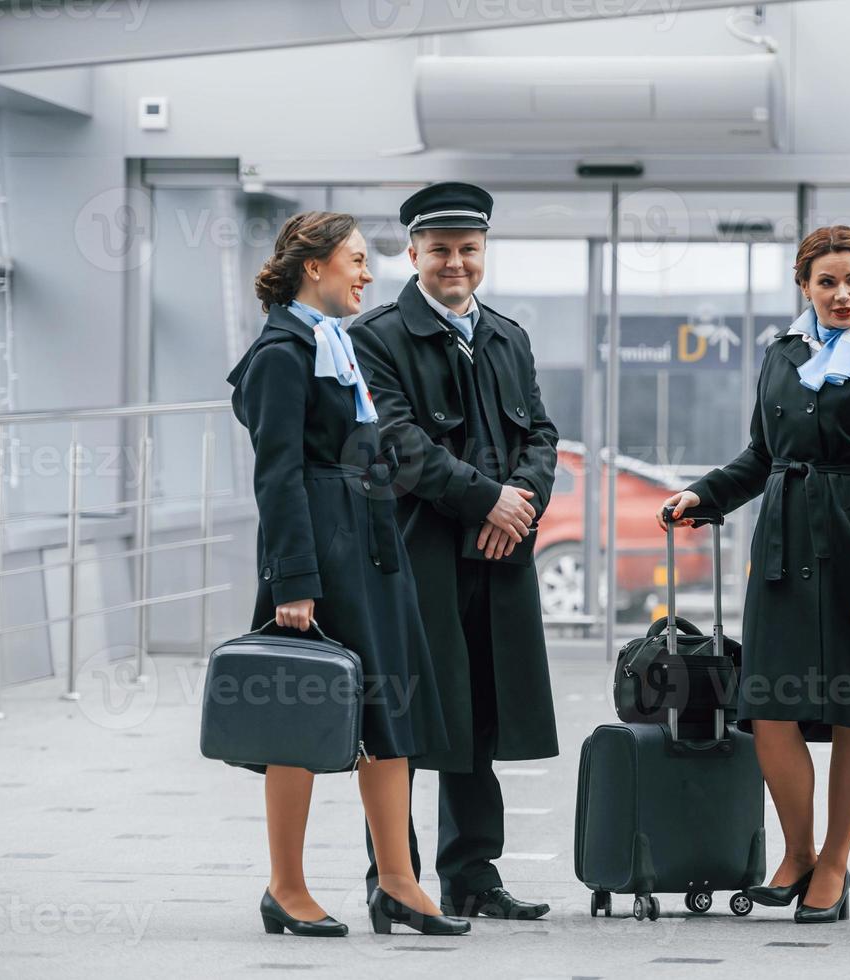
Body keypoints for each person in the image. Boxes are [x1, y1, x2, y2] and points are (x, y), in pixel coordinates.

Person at [661, 226, 850, 924]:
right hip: (781, 543)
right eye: (827, 282)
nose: (842, 294)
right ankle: (799, 850)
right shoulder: (782, 355)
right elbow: (759, 454)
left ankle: (835, 864)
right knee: (769, 708)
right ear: (803, 286)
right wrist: (704, 496)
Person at [226, 211, 468, 937]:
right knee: (299, 719)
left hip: (370, 548)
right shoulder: (280, 353)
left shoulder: (334, 342)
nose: (367, 274)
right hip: (321, 557)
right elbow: (278, 476)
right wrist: (294, 579)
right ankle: (286, 888)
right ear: (314, 267)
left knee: (389, 714)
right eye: (357, 261)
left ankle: (398, 881)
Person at [350, 182, 559, 922]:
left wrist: (520, 503)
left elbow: (541, 434)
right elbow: (396, 442)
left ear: (483, 253)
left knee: (479, 721)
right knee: (404, 718)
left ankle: (472, 874)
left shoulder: (508, 335)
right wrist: (487, 500)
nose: (455, 263)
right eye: (440, 250)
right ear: (413, 253)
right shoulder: (374, 337)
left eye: (468, 249)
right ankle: (393, 882)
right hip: (417, 559)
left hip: (499, 558)